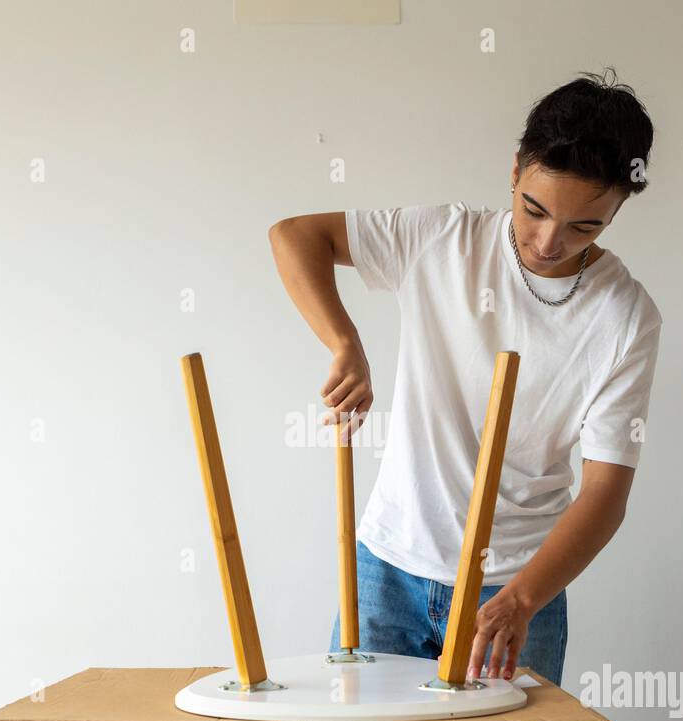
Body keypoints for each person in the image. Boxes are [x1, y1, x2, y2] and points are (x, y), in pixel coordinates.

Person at [267, 68, 662, 687]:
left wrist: (524, 599)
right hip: (386, 567)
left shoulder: (625, 317)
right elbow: (295, 236)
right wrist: (345, 343)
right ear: (514, 170)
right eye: (534, 209)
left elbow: (605, 492)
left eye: (585, 226)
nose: (548, 242)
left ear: (618, 208)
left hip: (516, 581)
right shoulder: (441, 239)